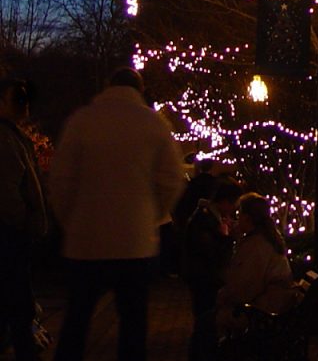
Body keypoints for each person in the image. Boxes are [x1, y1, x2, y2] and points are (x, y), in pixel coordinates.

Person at [51, 67, 186, 361]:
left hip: (86, 240)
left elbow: (60, 181)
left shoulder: (82, 121)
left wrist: (71, 221)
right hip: (134, 242)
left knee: (77, 321)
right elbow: (172, 179)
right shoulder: (154, 124)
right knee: (133, 326)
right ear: (140, 90)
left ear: (108, 86)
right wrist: (151, 215)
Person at [0, 78, 46, 361]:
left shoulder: (13, 136)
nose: (24, 103)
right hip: (9, 235)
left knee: (15, 302)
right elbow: (7, 193)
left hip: (13, 234)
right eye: (17, 99)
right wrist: (24, 224)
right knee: (17, 303)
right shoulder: (5, 139)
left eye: (24, 98)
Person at [216, 194, 294, 337]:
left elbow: (246, 286)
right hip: (266, 305)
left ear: (247, 217)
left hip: (261, 311)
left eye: (239, 215)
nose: (236, 219)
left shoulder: (257, 246)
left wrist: (224, 296)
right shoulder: (261, 239)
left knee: (207, 323)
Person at [181, 180, 240, 361]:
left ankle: (201, 351)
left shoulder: (208, 216)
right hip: (204, 276)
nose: (232, 211)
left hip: (202, 274)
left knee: (204, 317)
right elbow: (209, 251)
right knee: (204, 316)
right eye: (232, 205)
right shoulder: (205, 219)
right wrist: (227, 238)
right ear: (225, 202)